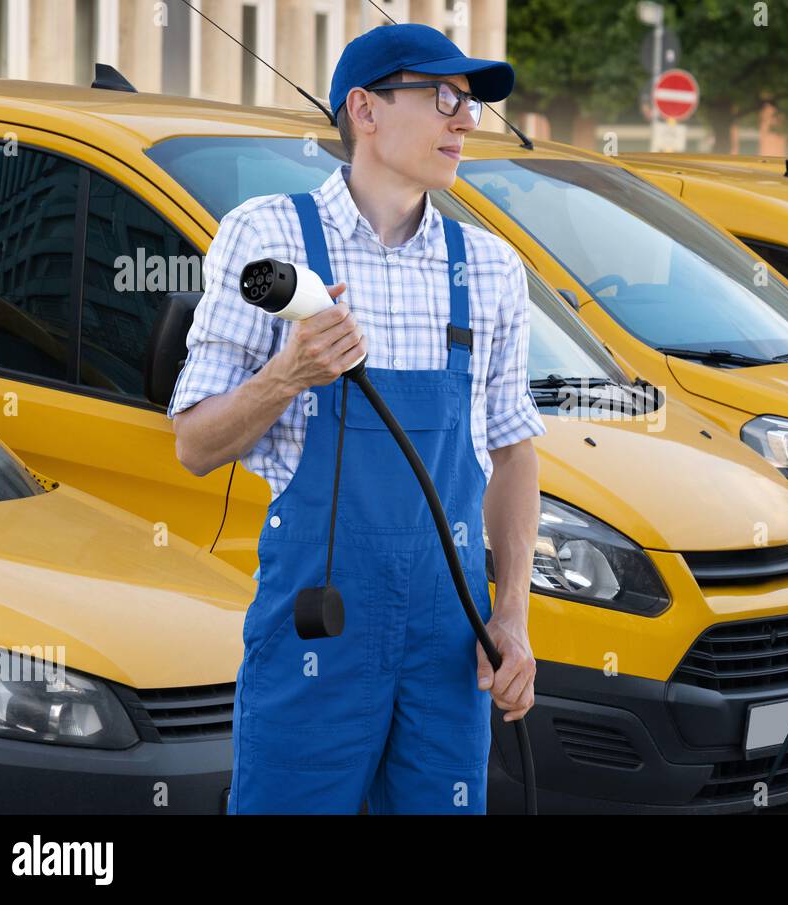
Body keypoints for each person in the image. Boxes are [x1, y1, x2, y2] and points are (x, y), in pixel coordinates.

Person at [168, 23, 544, 814]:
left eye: (469, 102)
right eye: (444, 97)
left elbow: (512, 452)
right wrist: (287, 375)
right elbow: (195, 443)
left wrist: (511, 616)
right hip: (318, 632)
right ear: (365, 110)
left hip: (451, 642)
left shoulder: (492, 269)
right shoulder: (266, 236)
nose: (466, 120)